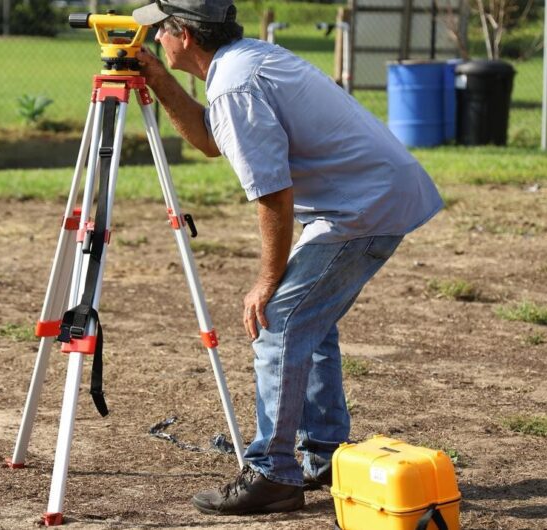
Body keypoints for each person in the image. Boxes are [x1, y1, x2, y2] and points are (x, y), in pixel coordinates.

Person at [132, 0, 444, 516]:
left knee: (277, 322)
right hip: (368, 199)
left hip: (360, 209)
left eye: (159, 32)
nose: (155, 40)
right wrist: (159, 78)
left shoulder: (236, 83)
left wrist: (266, 279)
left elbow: (274, 193)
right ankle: (322, 454)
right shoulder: (241, 62)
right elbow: (212, 141)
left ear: (183, 34)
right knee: (308, 324)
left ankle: (272, 473)